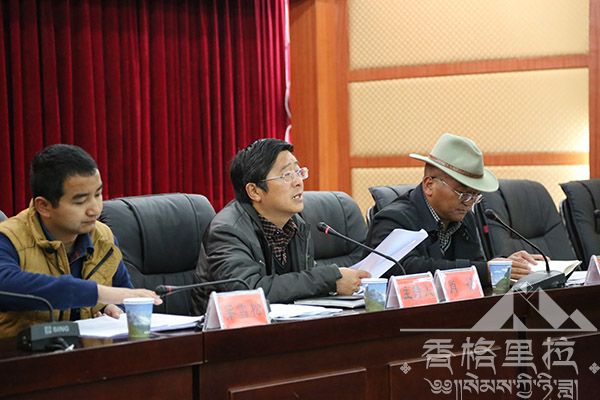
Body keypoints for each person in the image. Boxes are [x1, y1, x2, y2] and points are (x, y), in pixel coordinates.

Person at [0, 144, 161, 338]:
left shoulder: (102, 237)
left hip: (86, 351)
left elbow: (123, 295)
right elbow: (6, 284)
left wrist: (112, 309)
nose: (95, 209)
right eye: (80, 201)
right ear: (44, 206)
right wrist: (99, 294)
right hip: (20, 354)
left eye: (98, 194)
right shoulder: (9, 238)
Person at [192, 138, 370, 313]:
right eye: (287, 175)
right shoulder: (227, 230)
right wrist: (329, 280)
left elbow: (301, 285)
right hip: (225, 329)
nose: (298, 182)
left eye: (298, 172)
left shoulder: (296, 224)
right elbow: (249, 292)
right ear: (254, 191)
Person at [365, 133, 543, 285]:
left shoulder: (464, 216)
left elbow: (475, 263)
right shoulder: (393, 218)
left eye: (475, 196)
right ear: (429, 185)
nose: (469, 203)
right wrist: (485, 271)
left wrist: (505, 266)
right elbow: (402, 269)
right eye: (463, 193)